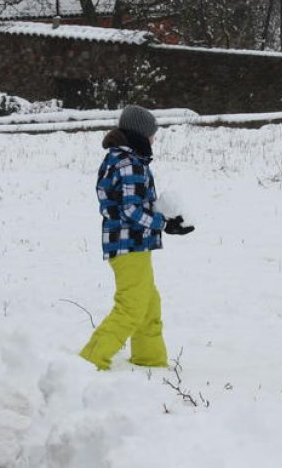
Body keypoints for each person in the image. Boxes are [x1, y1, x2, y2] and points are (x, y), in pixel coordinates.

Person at [79, 105, 195, 371]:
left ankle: (149, 360)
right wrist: (162, 223)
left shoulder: (123, 159)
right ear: (140, 134)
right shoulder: (129, 164)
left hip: (132, 244)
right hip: (128, 245)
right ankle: (89, 361)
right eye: (153, 134)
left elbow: (133, 203)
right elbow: (130, 210)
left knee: (149, 304)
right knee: (131, 307)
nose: (154, 139)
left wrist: (166, 216)